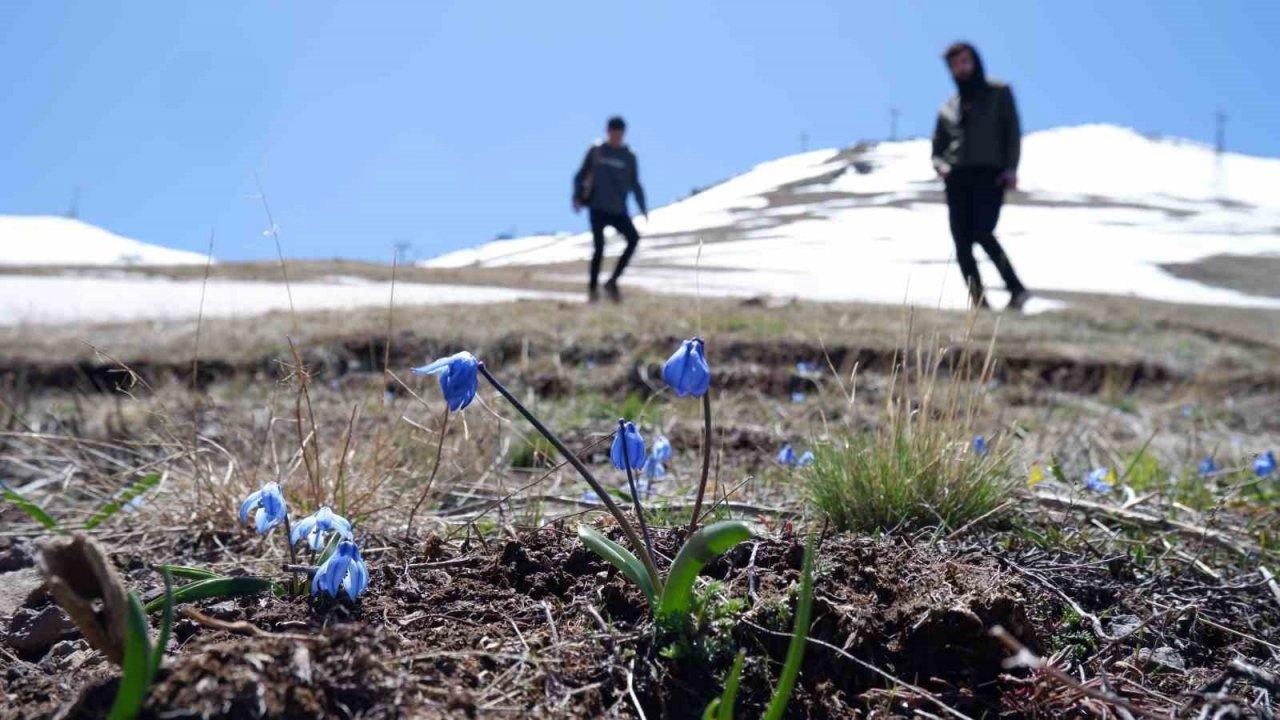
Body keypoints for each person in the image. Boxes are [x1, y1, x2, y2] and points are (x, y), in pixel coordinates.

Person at [931, 42, 1030, 311]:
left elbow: (1012, 132)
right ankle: (980, 304)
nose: (960, 68)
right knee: (961, 243)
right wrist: (940, 166)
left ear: (974, 61)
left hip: (990, 175)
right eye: (954, 65)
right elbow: (937, 149)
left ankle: (1016, 289)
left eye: (964, 61)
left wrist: (1011, 168)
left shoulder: (999, 93)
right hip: (957, 179)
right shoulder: (948, 108)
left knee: (982, 231)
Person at [572, 115, 648, 303]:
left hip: (619, 210)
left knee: (633, 238)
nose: (615, 136)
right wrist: (577, 196)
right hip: (597, 207)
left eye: (619, 133)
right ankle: (592, 291)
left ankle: (612, 282)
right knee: (599, 248)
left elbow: (635, 184)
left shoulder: (629, 157)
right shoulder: (597, 150)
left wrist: (643, 207)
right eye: (612, 132)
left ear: (623, 133)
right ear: (607, 131)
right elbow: (580, 175)